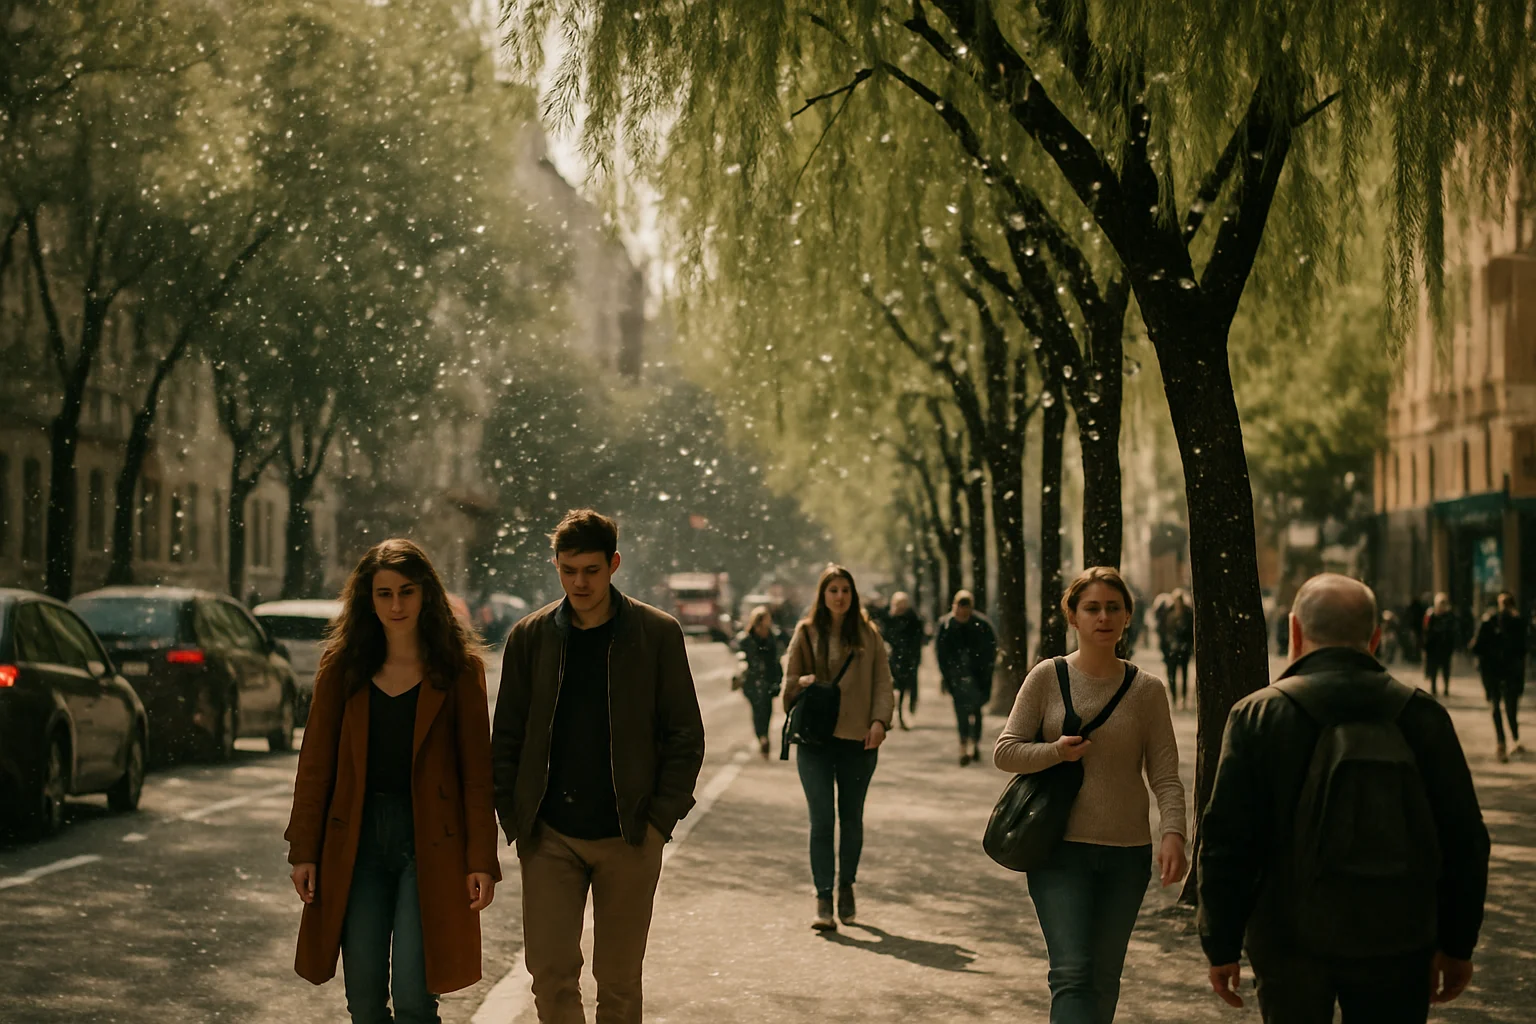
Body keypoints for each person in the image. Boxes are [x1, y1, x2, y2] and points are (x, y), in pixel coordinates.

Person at [1199, 573, 1489, 1023]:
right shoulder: (1421, 714)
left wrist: (1220, 943)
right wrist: (1457, 945)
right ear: (1375, 638)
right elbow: (1465, 839)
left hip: (1290, 938)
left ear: (1295, 630)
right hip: (1399, 937)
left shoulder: (1259, 714)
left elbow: (1226, 841)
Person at [490, 509, 705, 1024]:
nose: (579, 582)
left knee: (619, 979)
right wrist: (515, 818)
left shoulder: (656, 633)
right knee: (550, 972)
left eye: (590, 569)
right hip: (550, 835)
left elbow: (685, 734)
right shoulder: (531, 637)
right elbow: (507, 737)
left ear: (613, 564)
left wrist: (659, 821)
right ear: (556, 566)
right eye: (568, 570)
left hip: (629, 834)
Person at [285, 538, 500, 1023]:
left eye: (406, 591)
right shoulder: (342, 668)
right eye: (384, 594)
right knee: (362, 999)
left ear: (426, 593)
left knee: (412, 996)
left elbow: (476, 775)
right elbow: (314, 767)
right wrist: (303, 849)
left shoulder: (457, 670)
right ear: (368, 598)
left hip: (431, 840)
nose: (397, 605)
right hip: (355, 840)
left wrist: (481, 860)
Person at [994, 566, 1187, 1024]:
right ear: (1074, 618)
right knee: (1072, 975)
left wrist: (1174, 832)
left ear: (1127, 617)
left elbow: (1165, 774)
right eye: (1092, 608)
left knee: (1104, 979)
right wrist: (1056, 752)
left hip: (1127, 855)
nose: (1103, 617)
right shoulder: (1047, 677)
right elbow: (1006, 751)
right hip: (1058, 849)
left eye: (1113, 608)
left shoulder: (1147, 690)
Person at [782, 564, 894, 931]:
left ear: (853, 594)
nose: (840, 596)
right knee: (821, 821)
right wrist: (804, 682)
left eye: (845, 590)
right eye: (833, 590)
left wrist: (879, 722)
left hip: (858, 739)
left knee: (851, 818)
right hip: (814, 740)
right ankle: (823, 897)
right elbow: (788, 687)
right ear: (822, 594)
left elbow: (882, 682)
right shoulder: (806, 631)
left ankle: (847, 886)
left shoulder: (868, 634)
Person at [935, 590, 998, 766]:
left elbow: (990, 650)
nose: (961, 611)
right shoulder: (946, 625)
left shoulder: (982, 625)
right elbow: (940, 653)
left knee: (976, 710)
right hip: (957, 677)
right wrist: (946, 674)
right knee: (962, 712)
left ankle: (974, 743)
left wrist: (985, 670)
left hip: (977, 676)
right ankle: (964, 745)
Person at [1471, 591, 1526, 762]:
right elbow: (1524, 649)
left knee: (1497, 706)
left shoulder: (1490, 621)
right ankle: (1510, 740)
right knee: (1509, 707)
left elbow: (1475, 647)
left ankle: (1503, 742)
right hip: (1505, 672)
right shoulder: (1517, 622)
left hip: (1494, 672)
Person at [732, 605, 787, 758]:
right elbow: (740, 654)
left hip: (769, 679)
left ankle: (764, 736)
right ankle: (762, 737)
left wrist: (779, 677)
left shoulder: (773, 637)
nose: (768, 622)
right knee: (757, 709)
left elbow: (777, 658)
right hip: (752, 680)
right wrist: (742, 669)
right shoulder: (746, 638)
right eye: (766, 619)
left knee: (767, 709)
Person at [881, 591, 928, 729]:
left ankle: (905, 712)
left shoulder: (914, 619)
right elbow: (885, 636)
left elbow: (918, 639)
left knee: (908, 688)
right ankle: (896, 715)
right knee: (894, 688)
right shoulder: (889, 618)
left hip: (909, 660)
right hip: (894, 659)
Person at [1159, 589, 1194, 707]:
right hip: (1171, 650)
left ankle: (1183, 698)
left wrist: (1187, 644)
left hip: (1184, 650)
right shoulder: (1168, 613)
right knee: (1171, 674)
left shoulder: (1188, 614)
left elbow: (1190, 632)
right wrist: (1167, 645)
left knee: (1184, 674)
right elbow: (1163, 631)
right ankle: (1174, 698)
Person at [1422, 592, 1458, 697]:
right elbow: (1426, 631)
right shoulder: (1431, 615)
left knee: (1446, 669)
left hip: (1445, 647)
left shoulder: (1449, 616)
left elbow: (1453, 631)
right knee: (1433, 669)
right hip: (1433, 647)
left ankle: (1446, 688)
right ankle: (1433, 688)